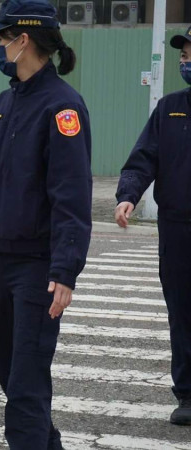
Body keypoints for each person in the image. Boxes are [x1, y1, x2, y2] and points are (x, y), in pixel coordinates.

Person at [0, 1, 92, 448]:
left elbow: (71, 194)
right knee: (9, 369)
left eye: (1, 39)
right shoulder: (3, 102)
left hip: (33, 266)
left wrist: (64, 270)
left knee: (26, 379)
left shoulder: (63, 106)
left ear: (22, 40)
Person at [114, 25, 191, 426]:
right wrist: (128, 194)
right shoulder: (170, 107)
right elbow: (143, 157)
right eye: (183, 56)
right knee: (182, 312)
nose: (186, 61)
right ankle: (188, 394)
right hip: (177, 228)